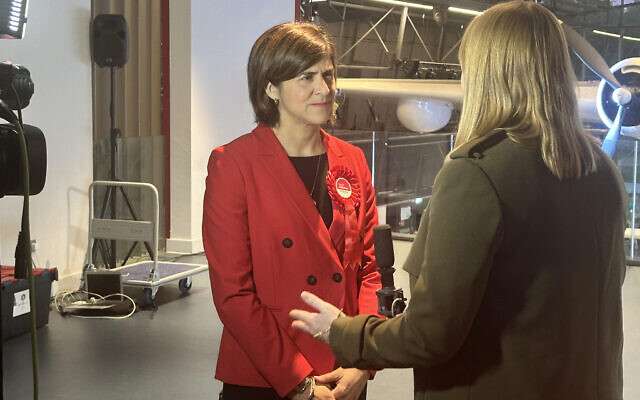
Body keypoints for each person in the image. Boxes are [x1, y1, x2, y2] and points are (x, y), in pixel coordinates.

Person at [290, 2, 628, 399]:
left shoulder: (477, 172)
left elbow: (431, 334)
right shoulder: (602, 169)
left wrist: (342, 331)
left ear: (486, 71)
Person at [202, 22, 381, 400]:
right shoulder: (233, 164)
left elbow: (367, 271)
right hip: (268, 374)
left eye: (328, 75)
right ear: (270, 88)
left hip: (342, 371)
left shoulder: (353, 159)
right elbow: (234, 294)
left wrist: (361, 359)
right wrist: (298, 382)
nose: (324, 89)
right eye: (306, 77)